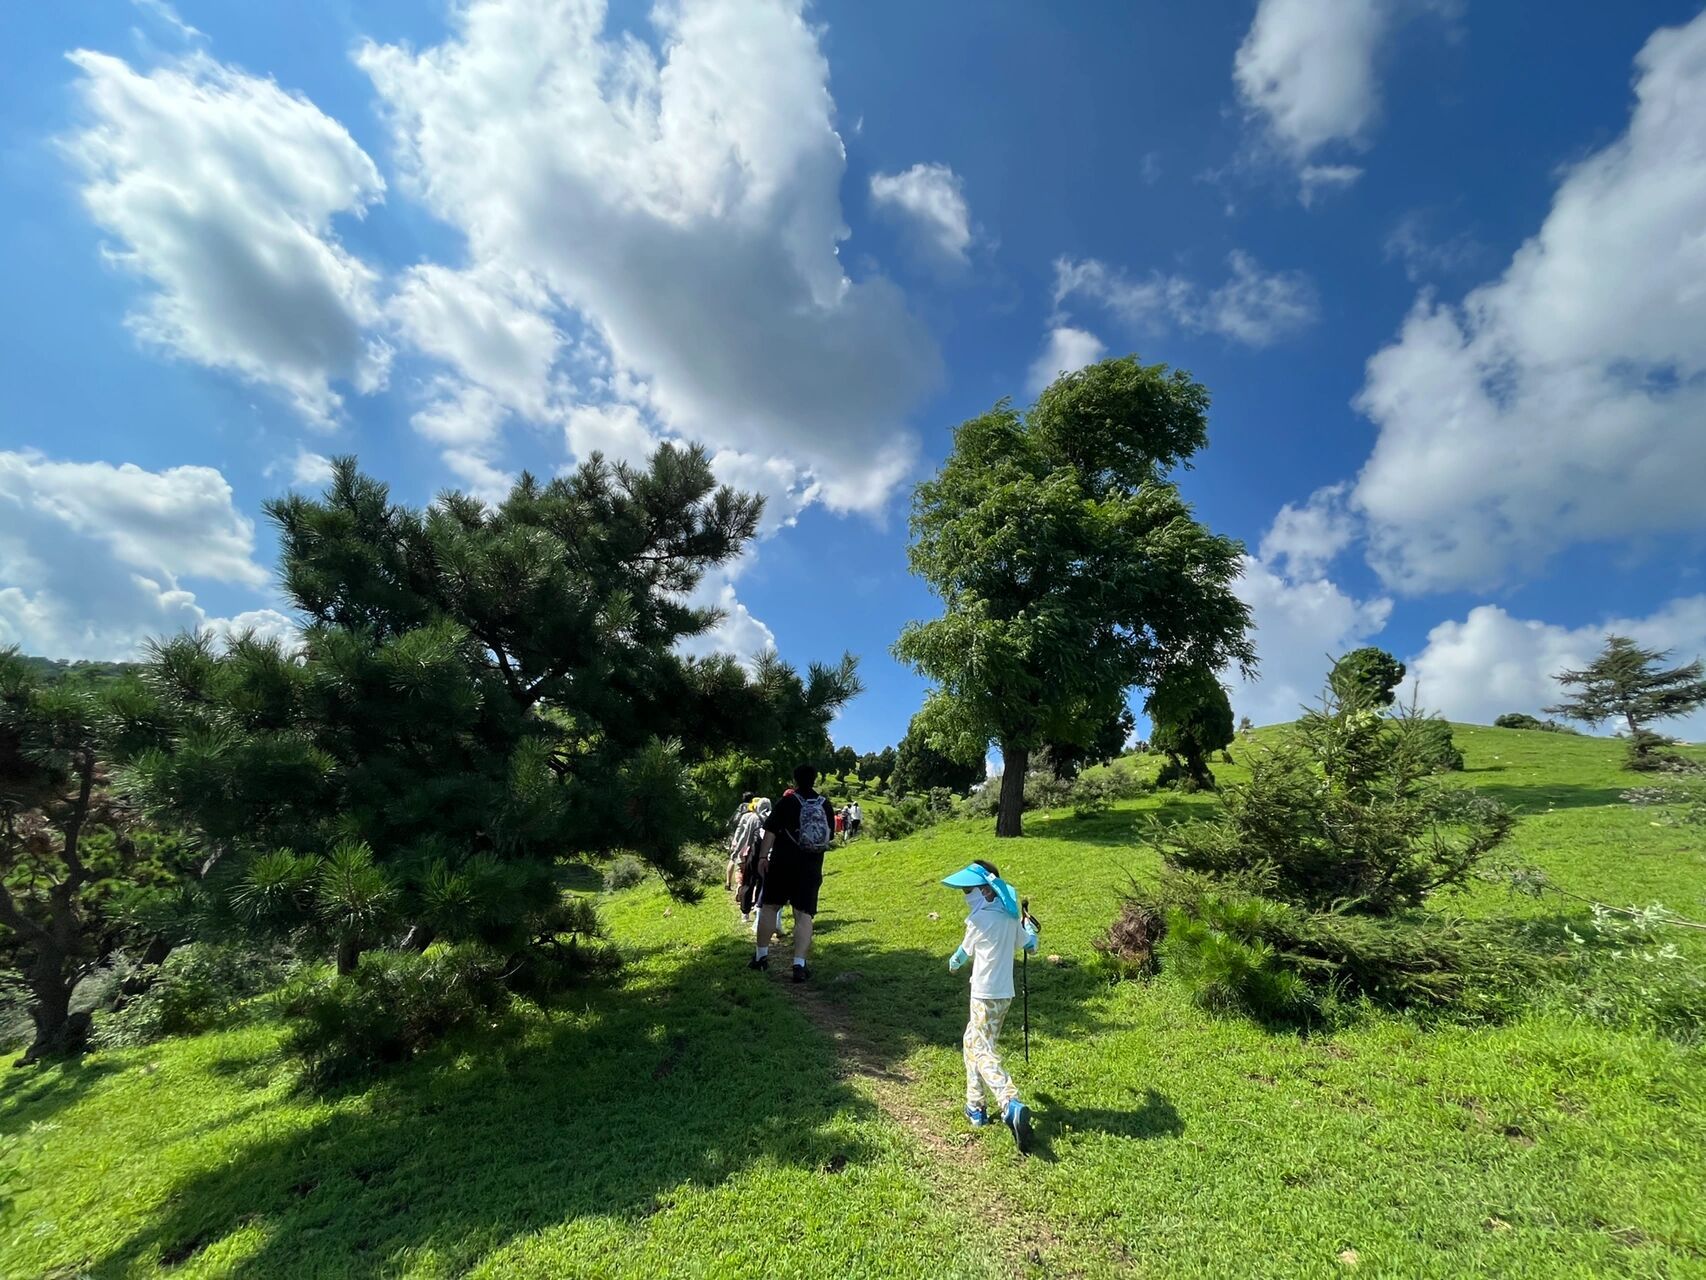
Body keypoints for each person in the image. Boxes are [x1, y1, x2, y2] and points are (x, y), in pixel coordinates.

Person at [943, 859, 1039, 1151]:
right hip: (1004, 995)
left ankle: (1009, 1101)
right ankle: (976, 1107)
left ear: (985, 891)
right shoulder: (1010, 917)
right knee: (973, 1042)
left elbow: (960, 955)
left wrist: (953, 963)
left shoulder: (978, 920)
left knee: (982, 1049)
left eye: (969, 890)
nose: (967, 896)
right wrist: (1031, 929)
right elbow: (1030, 946)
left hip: (983, 994)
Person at [749, 763, 833, 982]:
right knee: (804, 914)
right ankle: (799, 964)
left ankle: (761, 957)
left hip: (782, 864)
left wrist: (762, 857)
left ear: (794, 780)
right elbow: (829, 836)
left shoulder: (787, 802)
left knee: (770, 907)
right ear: (815, 779)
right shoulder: (825, 805)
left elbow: (770, 831)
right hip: (811, 866)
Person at [727, 795, 763, 894]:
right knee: (754, 872)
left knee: (741, 868)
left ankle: (738, 886)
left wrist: (735, 842)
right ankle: (753, 895)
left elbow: (740, 830)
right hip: (758, 848)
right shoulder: (766, 817)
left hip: (744, 846)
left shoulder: (745, 816)